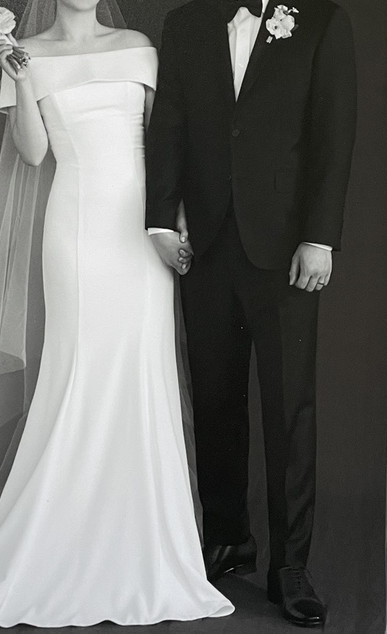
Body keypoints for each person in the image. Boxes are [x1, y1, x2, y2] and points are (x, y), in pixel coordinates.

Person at [0, 0, 235, 627]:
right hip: (75, 230)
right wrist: (20, 76)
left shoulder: (139, 46)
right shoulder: (26, 55)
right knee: (76, 372)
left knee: (140, 374)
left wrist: (171, 223)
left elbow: (167, 143)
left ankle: (143, 545)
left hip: (141, 234)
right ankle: (56, 542)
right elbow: (34, 154)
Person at [146, 0, 357, 628]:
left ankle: (290, 567)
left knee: (288, 408)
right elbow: (170, 123)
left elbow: (333, 133)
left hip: (285, 249)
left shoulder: (321, 20)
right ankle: (228, 538)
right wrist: (161, 219)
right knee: (215, 398)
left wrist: (319, 237)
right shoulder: (185, 24)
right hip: (207, 245)